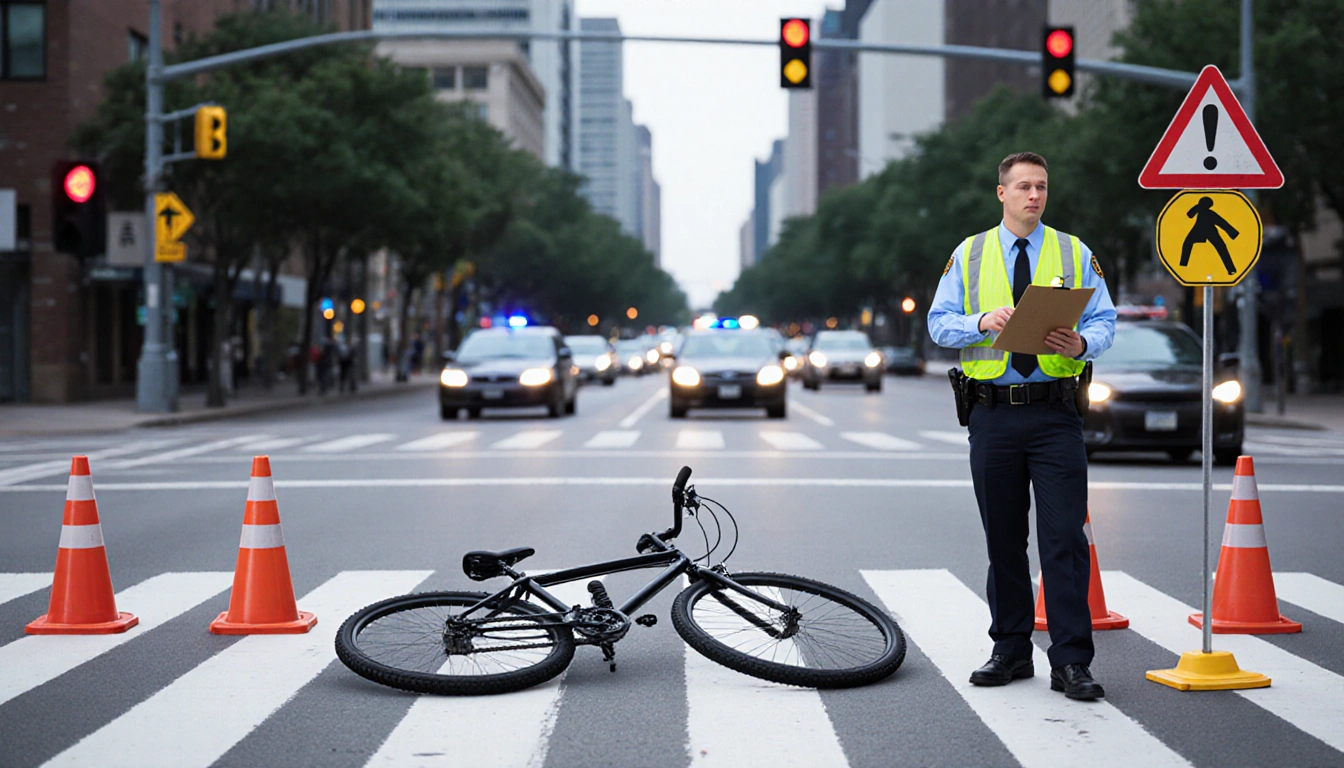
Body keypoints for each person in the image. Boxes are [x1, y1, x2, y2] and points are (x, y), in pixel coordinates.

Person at [927, 152, 1116, 701]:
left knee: (1063, 540)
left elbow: (1105, 319)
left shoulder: (1074, 251)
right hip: (992, 415)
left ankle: (1072, 662)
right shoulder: (970, 253)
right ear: (1001, 193)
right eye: (1024, 187)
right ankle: (1010, 651)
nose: (1034, 196)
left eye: (1042, 187)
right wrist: (980, 321)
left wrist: (1082, 343)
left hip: (1055, 414)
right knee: (1004, 541)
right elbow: (939, 324)